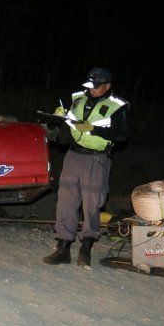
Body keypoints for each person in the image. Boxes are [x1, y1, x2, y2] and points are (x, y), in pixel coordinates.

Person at [43, 67, 129, 266]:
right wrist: (60, 117)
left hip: (96, 160)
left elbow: (122, 135)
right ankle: (63, 248)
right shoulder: (78, 99)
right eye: (90, 86)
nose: (92, 89)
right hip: (73, 155)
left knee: (92, 204)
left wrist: (94, 129)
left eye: (97, 87)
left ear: (107, 86)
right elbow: (69, 122)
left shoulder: (117, 106)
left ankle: (86, 248)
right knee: (66, 201)